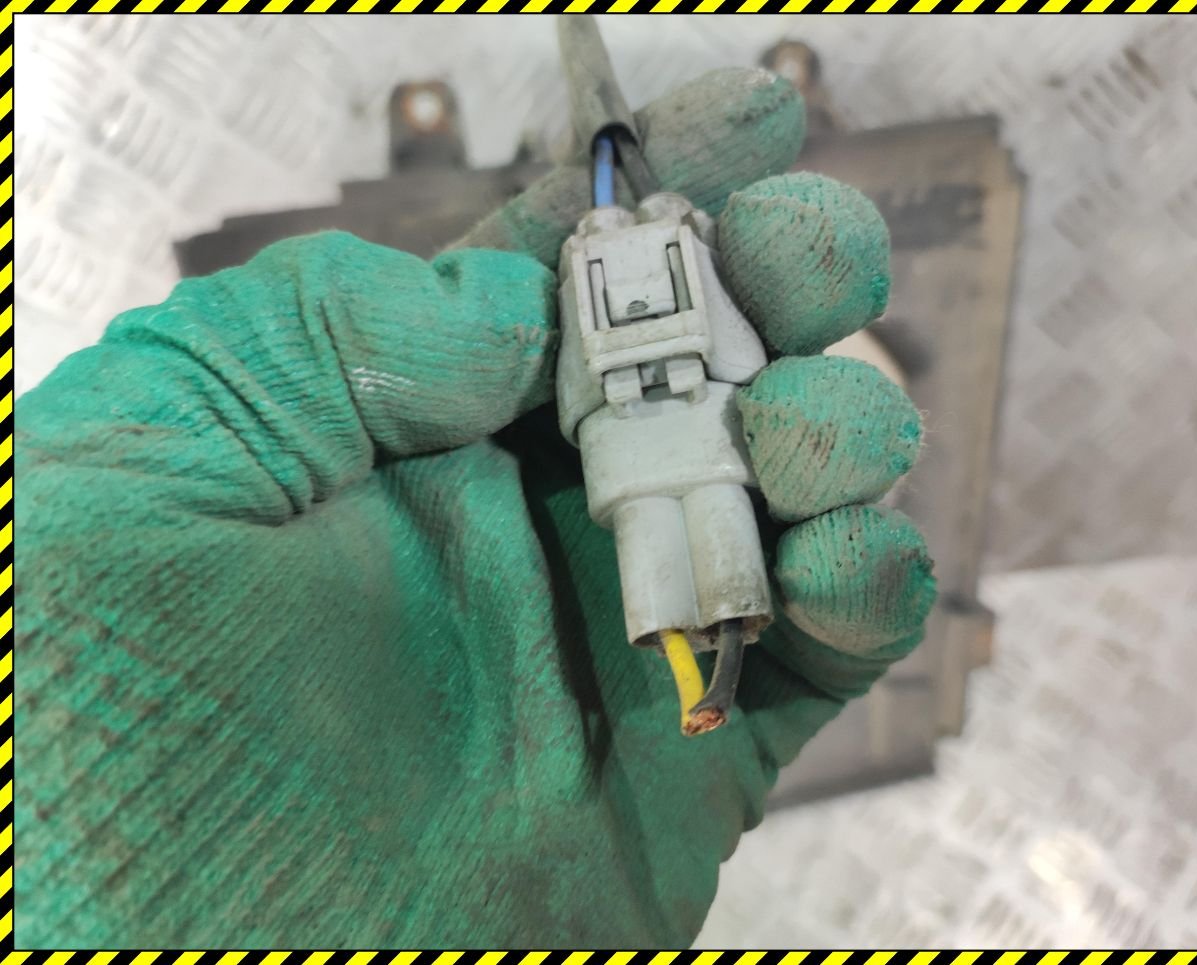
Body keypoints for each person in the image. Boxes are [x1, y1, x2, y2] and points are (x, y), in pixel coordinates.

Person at [15, 68, 934, 947]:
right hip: (625, 444)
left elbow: (706, 349)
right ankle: (700, 637)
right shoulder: (593, 280)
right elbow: (585, 382)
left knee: (723, 540)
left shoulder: (660, 268)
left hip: (680, 428)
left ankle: (725, 619)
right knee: (663, 545)